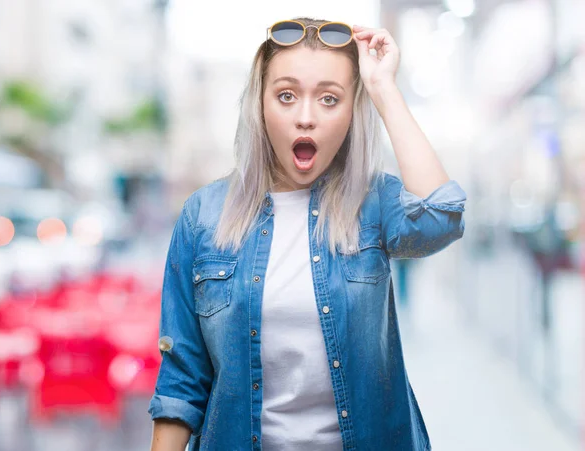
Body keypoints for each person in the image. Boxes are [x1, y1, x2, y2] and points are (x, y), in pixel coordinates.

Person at [148, 17, 467, 451]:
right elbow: (181, 382)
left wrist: (383, 90)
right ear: (260, 105)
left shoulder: (371, 203)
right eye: (286, 95)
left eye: (330, 99)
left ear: (352, 113)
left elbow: (443, 217)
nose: (305, 118)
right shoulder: (203, 217)